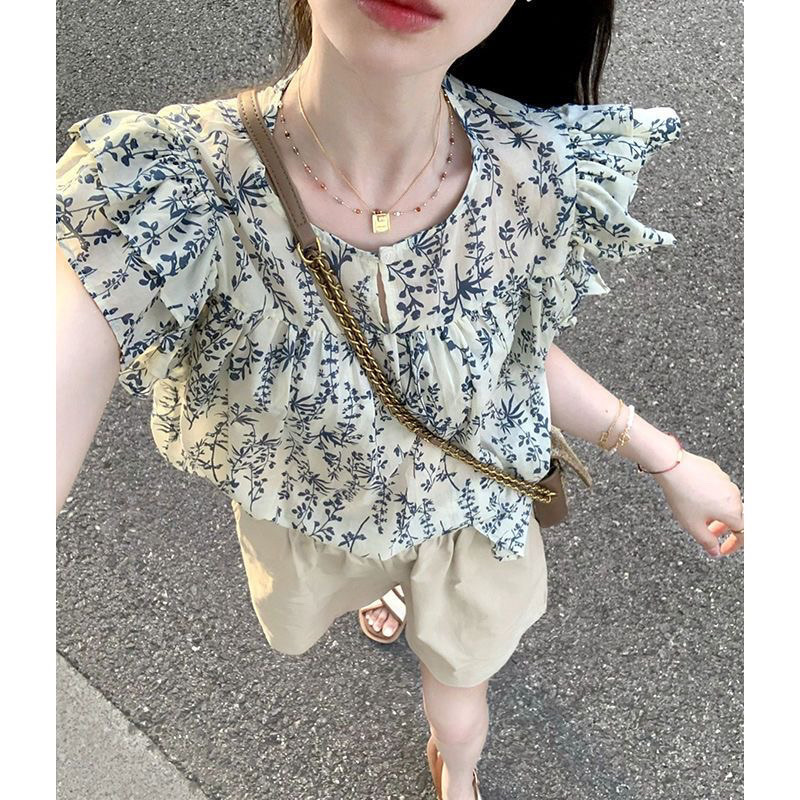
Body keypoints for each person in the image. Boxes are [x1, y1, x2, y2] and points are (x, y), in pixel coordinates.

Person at [55, 1, 744, 798]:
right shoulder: (173, 187)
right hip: (330, 515)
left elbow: (510, 358)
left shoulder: (535, 170)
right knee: (404, 618)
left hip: (471, 522)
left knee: (461, 704)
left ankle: (458, 774)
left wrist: (668, 459)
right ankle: (391, 593)